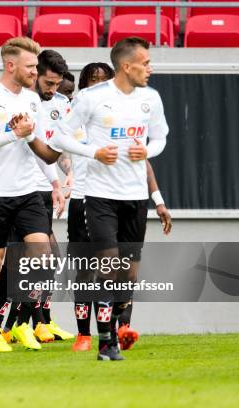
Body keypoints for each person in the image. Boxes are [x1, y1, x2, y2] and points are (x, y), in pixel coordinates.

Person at [28, 37, 168, 360]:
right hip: (98, 197)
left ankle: (119, 328)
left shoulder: (151, 99)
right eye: (145, 63)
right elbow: (61, 137)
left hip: (134, 199)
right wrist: (93, 152)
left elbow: (160, 139)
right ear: (127, 66)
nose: (150, 68)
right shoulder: (91, 99)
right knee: (103, 263)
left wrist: (148, 150)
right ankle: (103, 341)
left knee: (128, 271)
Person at [68, 62, 172, 352]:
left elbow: (142, 160)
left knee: (124, 267)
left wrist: (159, 200)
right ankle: (84, 334)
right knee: (87, 271)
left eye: (104, 79)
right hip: (82, 200)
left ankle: (121, 326)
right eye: (92, 80)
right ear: (83, 85)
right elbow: (56, 153)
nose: (98, 84)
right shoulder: (72, 119)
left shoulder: (122, 115)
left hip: (119, 200)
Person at [0, 37, 61, 352]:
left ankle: (20, 323)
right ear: (11, 66)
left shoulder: (33, 101)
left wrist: (55, 182)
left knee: (43, 258)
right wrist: (10, 133)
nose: (36, 71)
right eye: (31, 66)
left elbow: (41, 152)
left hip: (28, 192)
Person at [0, 50, 74, 344]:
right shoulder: (21, 103)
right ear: (35, 74)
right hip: (19, 190)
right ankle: (10, 326)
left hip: (42, 191)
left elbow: (55, 148)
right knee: (25, 261)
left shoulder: (58, 105)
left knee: (45, 261)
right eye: (49, 82)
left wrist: (64, 175)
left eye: (58, 84)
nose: (53, 89)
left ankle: (34, 322)